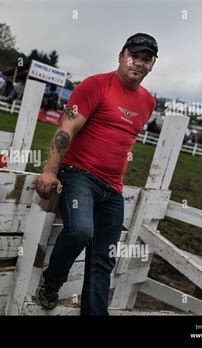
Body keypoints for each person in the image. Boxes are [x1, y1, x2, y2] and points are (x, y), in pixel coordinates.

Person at [35, 33, 158, 316]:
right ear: (121, 55)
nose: (138, 63)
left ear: (152, 65)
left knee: (103, 259)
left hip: (112, 189)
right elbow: (66, 128)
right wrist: (51, 170)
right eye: (134, 55)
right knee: (80, 230)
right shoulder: (96, 85)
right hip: (79, 175)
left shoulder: (148, 103)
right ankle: (51, 283)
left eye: (145, 59)